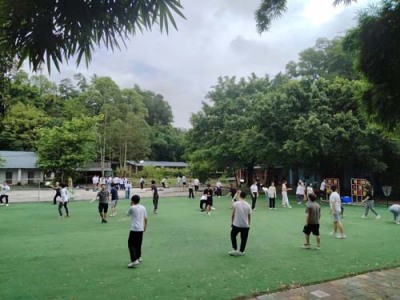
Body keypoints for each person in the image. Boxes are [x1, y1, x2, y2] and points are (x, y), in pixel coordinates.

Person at [127, 195, 148, 268]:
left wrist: (130, 205)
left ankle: (134, 260)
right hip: (141, 229)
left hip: (134, 229)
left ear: (132, 201)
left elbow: (127, 214)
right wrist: (145, 227)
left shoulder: (132, 208)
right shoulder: (143, 207)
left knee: (131, 244)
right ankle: (139, 257)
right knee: (138, 243)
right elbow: (146, 218)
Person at [229, 191, 252, 256]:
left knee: (233, 235)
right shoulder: (248, 205)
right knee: (244, 239)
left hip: (236, 224)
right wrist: (248, 225)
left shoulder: (235, 204)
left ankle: (235, 249)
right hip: (245, 225)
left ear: (239, 195)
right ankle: (241, 251)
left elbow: (232, 214)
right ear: (245, 197)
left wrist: (232, 223)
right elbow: (249, 216)